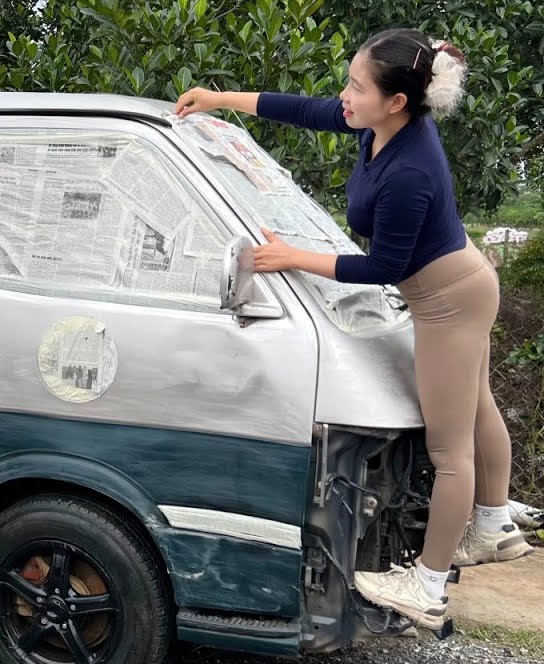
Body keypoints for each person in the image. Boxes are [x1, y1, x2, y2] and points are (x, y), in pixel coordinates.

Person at [175, 28, 534, 631]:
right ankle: (494, 523)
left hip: (448, 302)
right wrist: (219, 99)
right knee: (476, 407)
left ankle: (427, 585)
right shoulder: (378, 124)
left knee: (451, 451)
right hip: (459, 285)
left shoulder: (409, 170)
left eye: (356, 86)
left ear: (396, 101)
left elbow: (383, 268)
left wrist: (291, 257)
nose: (344, 95)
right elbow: (307, 110)